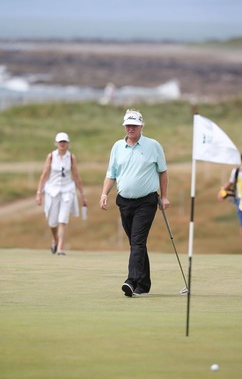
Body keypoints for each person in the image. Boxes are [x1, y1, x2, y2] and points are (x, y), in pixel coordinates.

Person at [99, 109, 170, 297]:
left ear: (141, 126)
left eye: (134, 125)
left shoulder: (153, 145)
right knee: (136, 243)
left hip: (146, 201)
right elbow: (111, 174)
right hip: (124, 202)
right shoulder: (117, 147)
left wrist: (164, 196)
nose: (130, 128)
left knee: (137, 241)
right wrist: (104, 193)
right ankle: (144, 284)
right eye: (128, 125)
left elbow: (162, 171)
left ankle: (131, 281)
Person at [35, 132, 87, 255]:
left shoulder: (71, 157)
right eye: (60, 142)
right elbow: (44, 175)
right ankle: (55, 239)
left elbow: (76, 177)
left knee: (63, 219)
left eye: (64, 142)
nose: (62, 144)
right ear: (56, 143)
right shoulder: (51, 156)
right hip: (52, 191)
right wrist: (38, 192)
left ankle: (60, 249)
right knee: (52, 222)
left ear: (68, 143)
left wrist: (83, 195)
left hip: (67, 191)